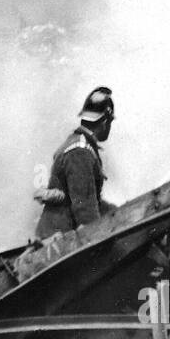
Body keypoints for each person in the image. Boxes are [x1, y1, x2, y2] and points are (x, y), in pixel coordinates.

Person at [34, 86, 117, 238]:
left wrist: (117, 213)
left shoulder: (78, 144)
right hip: (61, 240)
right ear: (105, 122)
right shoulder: (81, 152)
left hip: (60, 235)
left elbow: (92, 201)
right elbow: (85, 211)